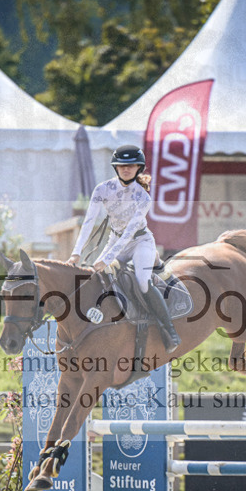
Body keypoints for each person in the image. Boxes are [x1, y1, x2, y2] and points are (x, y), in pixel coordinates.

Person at [67, 145, 181, 352]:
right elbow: (88, 222)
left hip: (140, 242)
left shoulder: (143, 196)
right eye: (121, 166)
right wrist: (76, 253)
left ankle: (169, 330)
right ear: (115, 168)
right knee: (94, 279)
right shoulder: (102, 189)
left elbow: (130, 232)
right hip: (114, 240)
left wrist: (108, 257)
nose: (126, 169)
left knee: (143, 282)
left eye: (130, 166)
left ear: (138, 168)